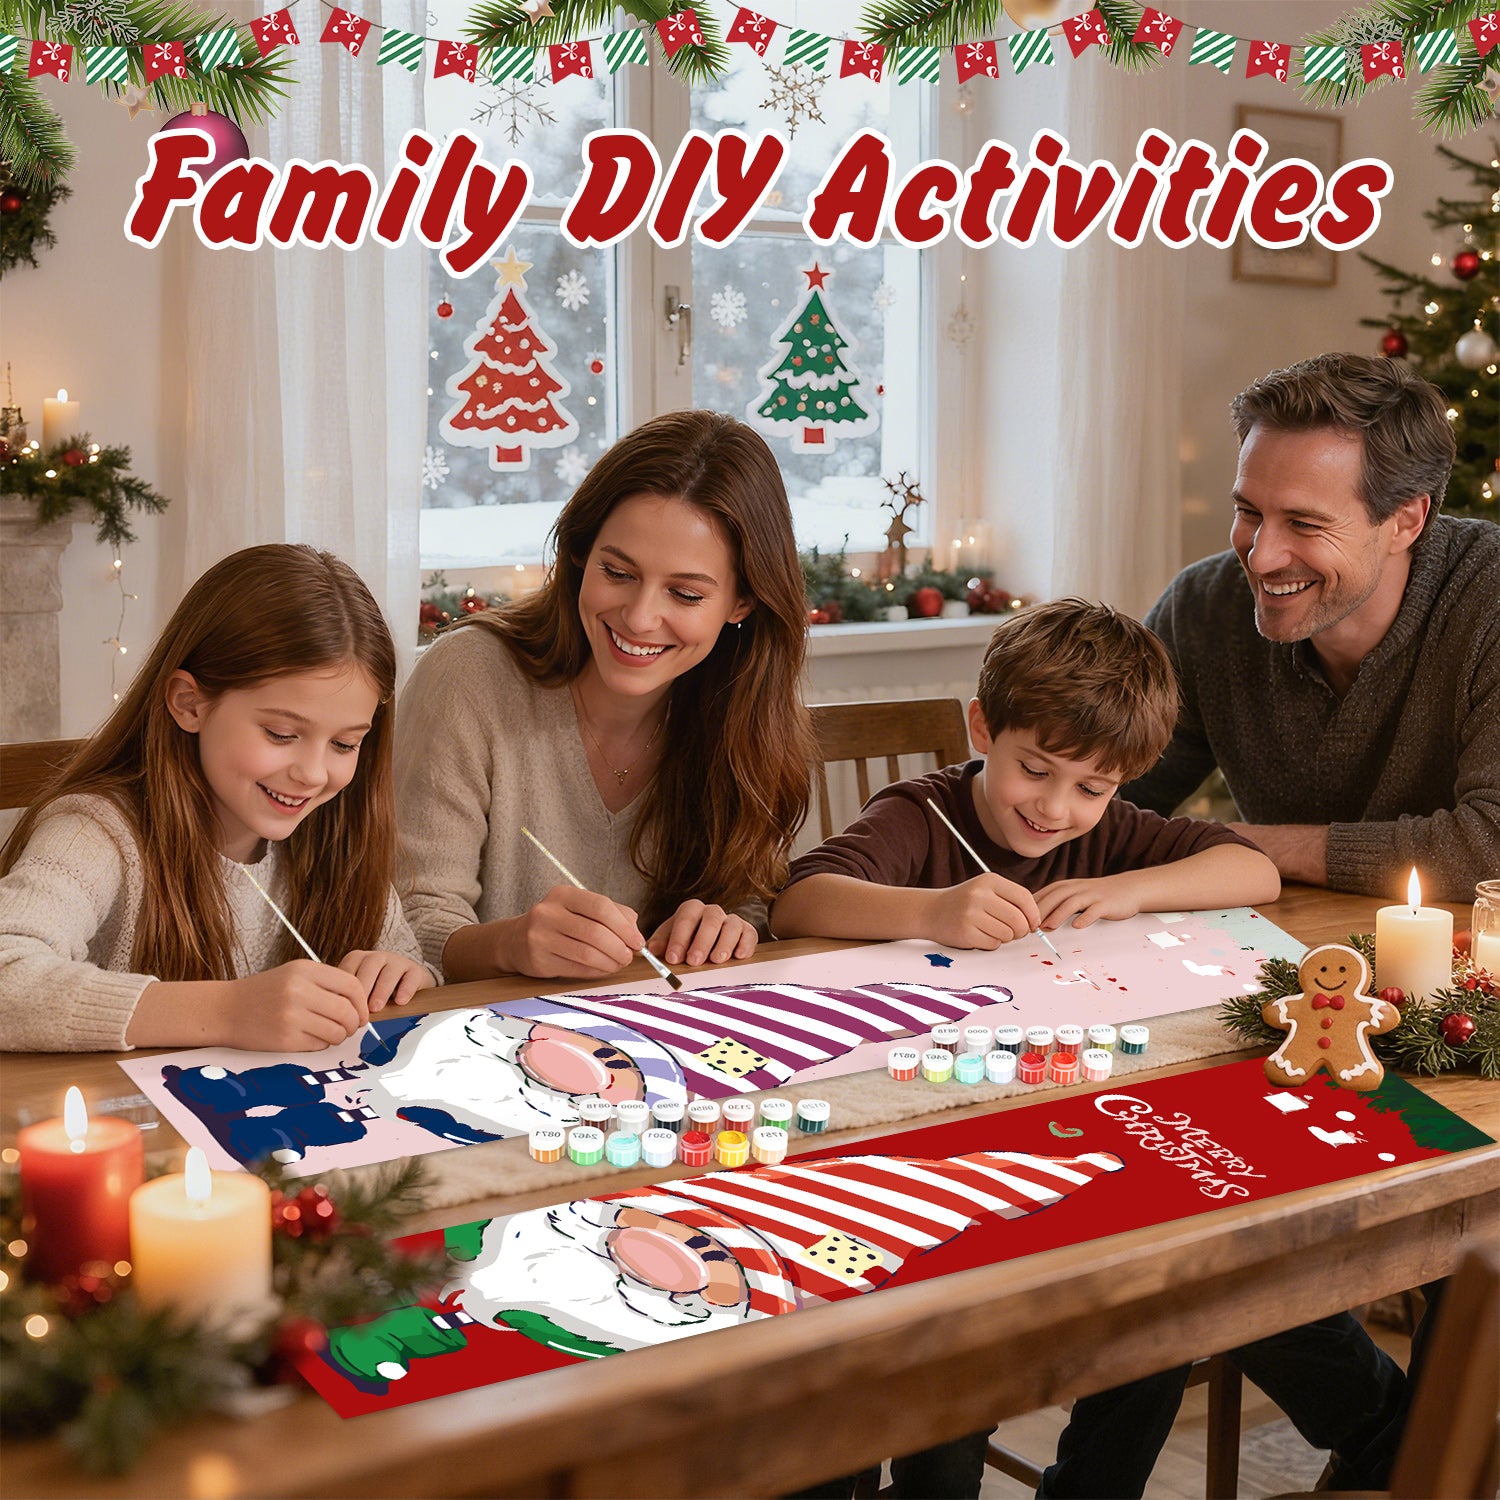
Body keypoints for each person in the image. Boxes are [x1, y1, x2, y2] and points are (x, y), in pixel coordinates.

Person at [771, 598, 1279, 1499]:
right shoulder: (921, 816)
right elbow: (801, 898)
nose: (1055, 808)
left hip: (1064, 1136)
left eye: (1092, 788)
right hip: (917, 1149)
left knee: (1159, 1296)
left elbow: (1254, 870)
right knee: (951, 1368)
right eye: (1034, 771)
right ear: (982, 727)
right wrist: (930, 911)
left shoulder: (1109, 836)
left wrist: (1130, 892)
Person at [395, 409, 815, 984]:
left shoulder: (746, 709)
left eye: (686, 594)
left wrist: (727, 926)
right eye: (617, 573)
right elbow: (406, 925)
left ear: (742, 604)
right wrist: (509, 945)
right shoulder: (469, 676)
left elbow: (747, 903)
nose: (640, 617)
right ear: (579, 556)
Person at [0, 544, 435, 1054]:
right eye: (279, 733)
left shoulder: (337, 833)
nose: (313, 774)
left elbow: (409, 964)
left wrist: (406, 975)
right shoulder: (94, 832)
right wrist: (228, 1011)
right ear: (190, 704)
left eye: (344, 744)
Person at [1123, 351, 1499, 902]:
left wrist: (1236, 845)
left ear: (1405, 521)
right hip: (1276, 959)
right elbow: (1100, 787)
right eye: (1249, 511)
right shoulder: (1202, 609)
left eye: (1304, 523)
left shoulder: (1487, 601)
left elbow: (1491, 845)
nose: (1262, 556)